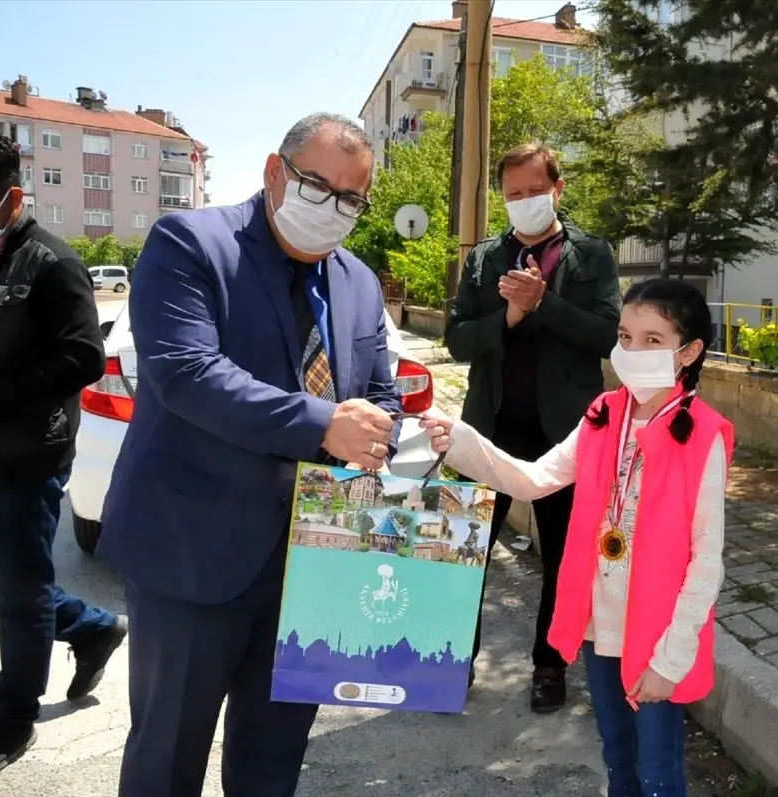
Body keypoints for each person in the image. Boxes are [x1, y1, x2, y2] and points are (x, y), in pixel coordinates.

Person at [95, 113, 404, 797]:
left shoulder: (357, 282)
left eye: (354, 198)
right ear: (275, 172)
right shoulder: (191, 244)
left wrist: (392, 431)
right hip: (193, 558)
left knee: (273, 759)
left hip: (311, 563)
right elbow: (187, 373)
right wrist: (324, 424)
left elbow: (381, 390)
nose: (336, 209)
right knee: (166, 758)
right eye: (320, 186)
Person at [427, 278, 731, 797]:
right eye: (625, 336)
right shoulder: (602, 415)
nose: (632, 351)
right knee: (617, 756)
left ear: (690, 351)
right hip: (601, 629)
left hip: (657, 638)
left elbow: (706, 561)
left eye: (653, 340)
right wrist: (459, 440)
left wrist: (670, 659)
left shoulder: (703, 434)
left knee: (658, 770)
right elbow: (532, 479)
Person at [446, 141, 621, 711]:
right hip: (491, 428)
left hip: (565, 435)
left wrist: (543, 304)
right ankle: (453, 660)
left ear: (557, 189)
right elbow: (457, 339)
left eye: (534, 191)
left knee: (564, 557)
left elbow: (604, 336)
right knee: (466, 550)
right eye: (513, 194)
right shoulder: (482, 259)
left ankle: (550, 666)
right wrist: (510, 316)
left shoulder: (591, 255)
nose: (524, 202)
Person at [0, 133, 127, 775]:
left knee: (18, 587)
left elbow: (83, 356)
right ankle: (93, 626)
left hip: (30, 452)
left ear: (11, 197)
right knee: (6, 581)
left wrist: (1, 396)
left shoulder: (50, 262)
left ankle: (13, 715)